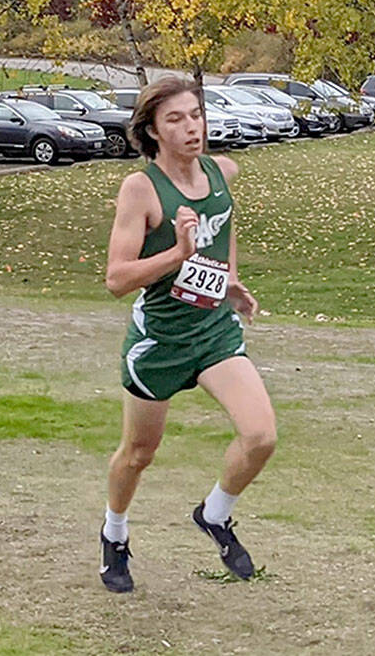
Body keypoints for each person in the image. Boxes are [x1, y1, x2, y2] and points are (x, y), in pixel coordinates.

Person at [97, 77, 276, 593]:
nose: (191, 126)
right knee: (138, 454)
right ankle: (115, 534)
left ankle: (215, 514)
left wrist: (231, 278)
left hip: (214, 333)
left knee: (261, 435)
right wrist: (177, 254)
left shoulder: (221, 171)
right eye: (175, 119)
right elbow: (115, 279)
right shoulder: (142, 189)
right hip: (161, 344)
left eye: (195, 114)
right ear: (151, 130)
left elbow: (223, 223)